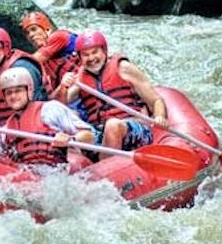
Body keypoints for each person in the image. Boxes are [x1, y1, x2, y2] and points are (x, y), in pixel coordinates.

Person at [0, 67, 96, 166]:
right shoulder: (7, 130)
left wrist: (70, 140)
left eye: (18, 91)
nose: (13, 96)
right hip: (22, 174)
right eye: (9, 93)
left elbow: (89, 135)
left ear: (29, 91)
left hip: (52, 175)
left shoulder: (50, 109)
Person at [65, 31, 169, 160]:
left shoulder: (124, 68)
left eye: (94, 52)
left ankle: (105, 169)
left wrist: (160, 116)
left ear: (104, 51)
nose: (91, 58)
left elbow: (155, 100)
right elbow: (58, 104)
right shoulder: (79, 79)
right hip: (100, 131)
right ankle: (91, 168)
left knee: (112, 125)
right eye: (86, 55)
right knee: (78, 138)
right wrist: (63, 86)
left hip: (132, 128)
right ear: (80, 58)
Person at [19, 11, 82, 104]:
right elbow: (51, 94)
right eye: (27, 33)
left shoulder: (59, 36)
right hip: (71, 90)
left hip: (87, 80)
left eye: (34, 29)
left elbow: (31, 62)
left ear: (46, 28)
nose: (31, 35)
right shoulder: (44, 64)